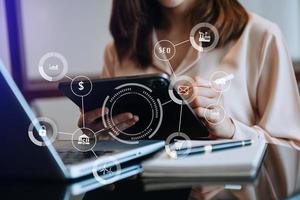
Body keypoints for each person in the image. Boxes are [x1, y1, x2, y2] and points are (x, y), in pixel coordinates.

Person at [78, 0, 300, 146]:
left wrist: (232, 131)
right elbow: (110, 150)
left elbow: (292, 148)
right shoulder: (118, 50)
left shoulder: (260, 36)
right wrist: (99, 136)